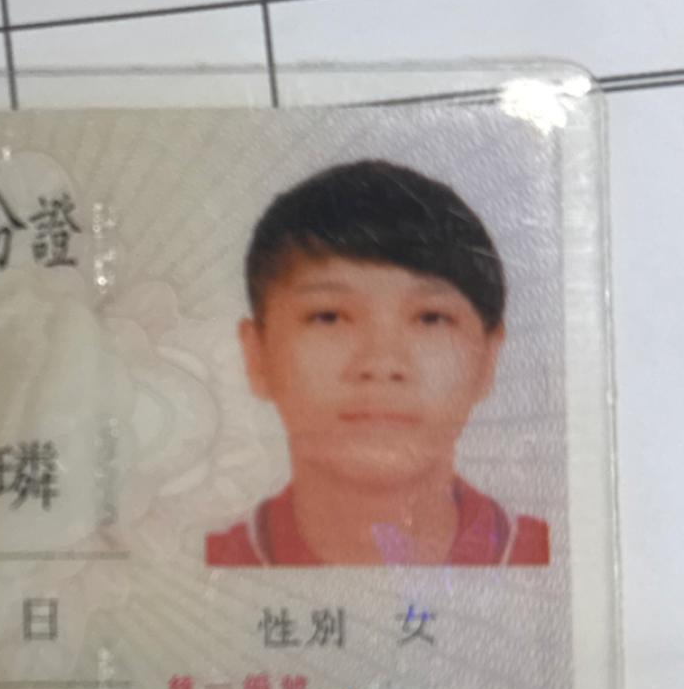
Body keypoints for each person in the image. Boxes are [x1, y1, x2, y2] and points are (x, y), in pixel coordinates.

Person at [205, 159, 549, 567]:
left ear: (489, 358)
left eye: (430, 318)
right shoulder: (203, 571)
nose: (382, 364)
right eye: (329, 317)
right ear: (257, 355)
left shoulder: (548, 558)